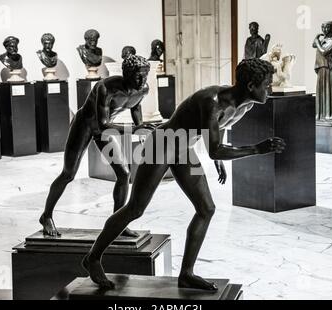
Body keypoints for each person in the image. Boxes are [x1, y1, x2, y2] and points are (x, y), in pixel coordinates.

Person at [82, 58, 286, 291]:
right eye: (266, 85)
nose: (269, 90)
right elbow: (214, 149)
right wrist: (256, 149)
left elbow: (217, 134)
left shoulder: (246, 105)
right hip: (163, 143)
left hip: (184, 148)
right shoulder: (213, 102)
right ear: (251, 86)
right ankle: (93, 257)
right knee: (135, 208)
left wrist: (219, 154)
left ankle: (186, 274)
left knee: (206, 209)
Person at [39, 55, 156, 237]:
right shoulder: (105, 88)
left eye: (145, 76)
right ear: (126, 74)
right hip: (85, 125)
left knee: (124, 174)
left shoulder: (143, 89)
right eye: (138, 76)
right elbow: (102, 124)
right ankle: (46, 216)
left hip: (104, 129)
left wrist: (141, 130)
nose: (142, 81)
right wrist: (135, 129)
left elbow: (136, 108)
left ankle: (118, 223)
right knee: (68, 174)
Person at [313, 21, 332, 122]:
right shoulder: (325, 40)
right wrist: (317, 39)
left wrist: (317, 41)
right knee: (321, 91)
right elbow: (313, 44)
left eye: (327, 28)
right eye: (323, 28)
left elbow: (324, 52)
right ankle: (321, 115)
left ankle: (330, 115)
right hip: (322, 68)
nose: (324, 30)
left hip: (330, 69)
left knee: (329, 91)